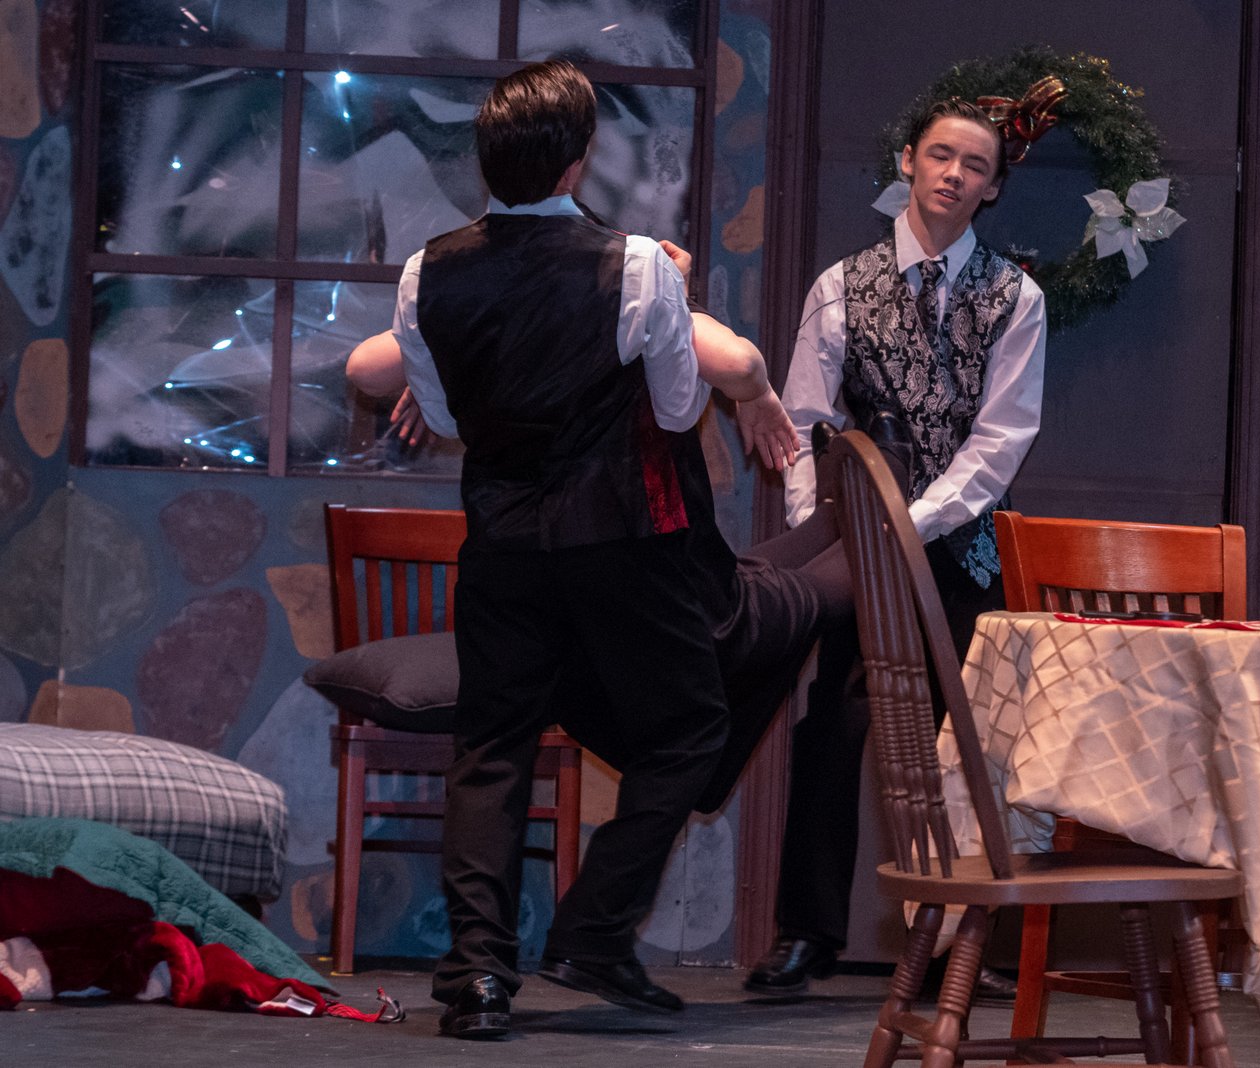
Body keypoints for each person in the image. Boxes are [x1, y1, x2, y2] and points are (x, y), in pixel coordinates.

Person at [379, 59, 857, 1040]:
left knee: (492, 746)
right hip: (621, 540)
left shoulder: (428, 270)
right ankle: (595, 929)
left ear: (488, 160)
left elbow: (443, 414)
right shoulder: (636, 265)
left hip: (504, 544)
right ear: (575, 163)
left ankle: (476, 978)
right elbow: (679, 409)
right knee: (688, 730)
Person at [746, 97, 1047, 998]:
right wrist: (824, 532)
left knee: (971, 741)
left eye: (976, 165)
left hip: (966, 545)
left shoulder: (1018, 297)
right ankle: (807, 935)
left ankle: (957, 948)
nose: (955, 174)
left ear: (992, 189)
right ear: (910, 161)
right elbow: (803, 425)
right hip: (861, 548)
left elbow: (1001, 441)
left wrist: (915, 526)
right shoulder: (841, 285)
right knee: (834, 728)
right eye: (941, 155)